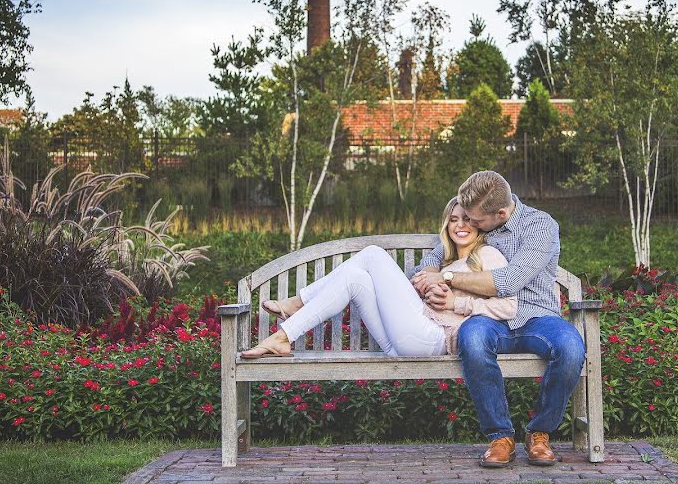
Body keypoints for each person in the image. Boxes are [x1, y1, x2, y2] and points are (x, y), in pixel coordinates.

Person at [412, 170, 586, 468]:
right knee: (473, 337)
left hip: (537, 317)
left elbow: (508, 281)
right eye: (465, 217)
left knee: (571, 346)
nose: (469, 224)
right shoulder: (481, 217)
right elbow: (434, 258)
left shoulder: (540, 226)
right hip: (487, 315)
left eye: (475, 221)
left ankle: (540, 432)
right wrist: (431, 275)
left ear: (501, 213)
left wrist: (449, 277)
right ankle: (500, 436)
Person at [240, 198, 515, 359]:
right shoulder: (442, 262)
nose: (460, 226)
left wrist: (458, 304)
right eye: (454, 219)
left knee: (372, 254)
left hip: (435, 338)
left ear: (479, 225)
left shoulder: (487, 255)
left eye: (468, 220)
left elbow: (510, 307)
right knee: (356, 278)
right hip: (401, 342)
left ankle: (297, 303)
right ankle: (284, 336)